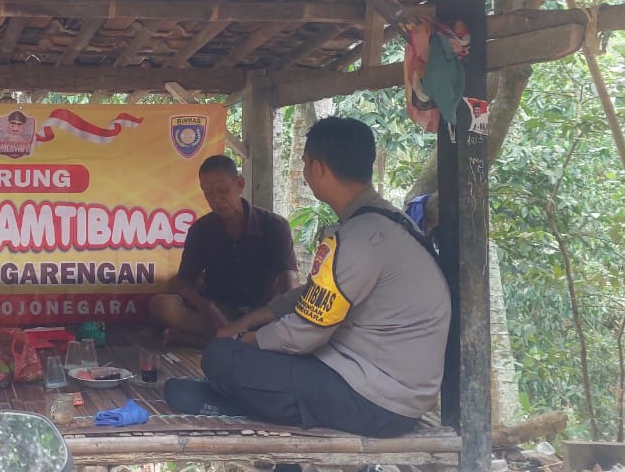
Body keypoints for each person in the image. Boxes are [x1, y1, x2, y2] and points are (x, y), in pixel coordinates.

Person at [169, 117, 451, 438]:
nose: (304, 172)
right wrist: (254, 319)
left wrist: (245, 339)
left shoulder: (360, 239)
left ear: (317, 168)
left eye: (304, 163)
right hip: (384, 385)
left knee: (220, 358)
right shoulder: (385, 222)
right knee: (231, 356)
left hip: (376, 399)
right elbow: (312, 293)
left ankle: (239, 403)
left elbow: (303, 334)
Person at [149, 154, 299, 346]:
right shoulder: (201, 229)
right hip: (218, 314)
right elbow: (182, 281)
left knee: (287, 317)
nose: (216, 199)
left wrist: (281, 315)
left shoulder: (274, 225)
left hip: (260, 315)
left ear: (240, 184)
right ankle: (236, 339)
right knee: (162, 306)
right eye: (208, 193)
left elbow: (290, 282)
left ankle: (205, 340)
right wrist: (204, 305)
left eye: (223, 191)